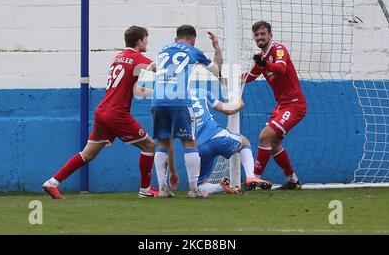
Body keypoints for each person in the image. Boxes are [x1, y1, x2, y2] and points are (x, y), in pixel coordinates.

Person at [42, 26, 158, 199]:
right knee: (149, 146)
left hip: (103, 111)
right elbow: (154, 67)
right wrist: (172, 59)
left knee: (88, 154)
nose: (147, 42)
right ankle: (145, 190)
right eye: (146, 38)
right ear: (139, 40)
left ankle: (52, 182)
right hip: (117, 113)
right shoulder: (135, 57)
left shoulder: (118, 57)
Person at [152, 25, 223, 198]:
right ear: (193, 39)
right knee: (189, 143)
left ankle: (162, 189)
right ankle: (193, 189)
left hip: (158, 99)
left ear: (176, 38)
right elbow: (217, 70)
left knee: (162, 143)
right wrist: (216, 47)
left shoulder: (163, 49)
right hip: (179, 100)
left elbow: (153, 67)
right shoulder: (194, 50)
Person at [166, 88, 272, 196]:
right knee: (244, 142)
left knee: (199, 185)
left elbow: (168, 143)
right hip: (217, 137)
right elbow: (227, 110)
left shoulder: (171, 104)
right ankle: (250, 176)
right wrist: (240, 104)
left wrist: (172, 171)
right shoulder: (200, 92)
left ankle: (220, 186)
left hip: (197, 150)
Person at [243, 21, 307, 190]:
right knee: (273, 144)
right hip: (282, 105)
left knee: (264, 136)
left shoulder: (278, 49)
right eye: (256, 35)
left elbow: (280, 68)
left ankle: (254, 179)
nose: (259, 37)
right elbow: (249, 77)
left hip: (295, 104)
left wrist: (264, 64)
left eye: (262, 34)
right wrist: (225, 76)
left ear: (270, 35)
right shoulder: (260, 58)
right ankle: (293, 181)